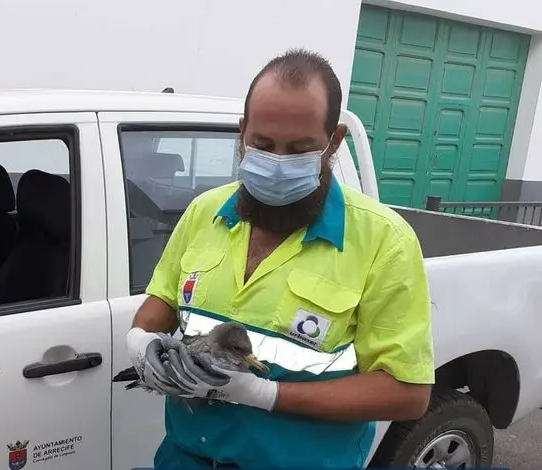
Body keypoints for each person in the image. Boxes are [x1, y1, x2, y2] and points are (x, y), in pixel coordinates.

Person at [125, 48, 435, 469]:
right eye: (263, 144)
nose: (277, 163)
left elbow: (407, 393)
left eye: (300, 148)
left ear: (334, 142)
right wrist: (142, 342)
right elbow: (161, 301)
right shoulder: (204, 213)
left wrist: (264, 394)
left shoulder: (384, 242)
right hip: (184, 458)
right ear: (242, 133)